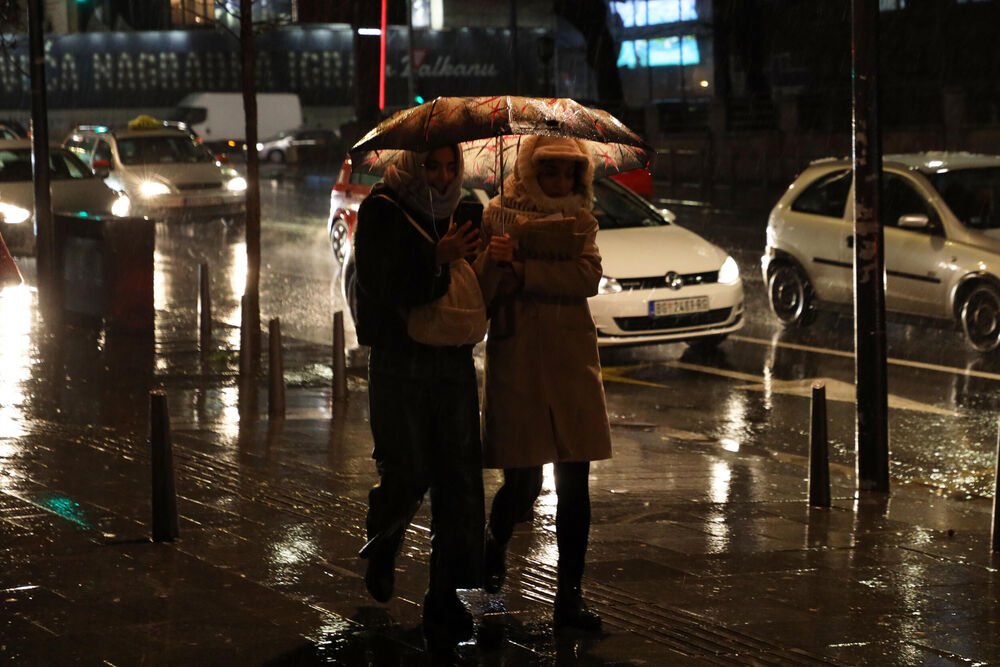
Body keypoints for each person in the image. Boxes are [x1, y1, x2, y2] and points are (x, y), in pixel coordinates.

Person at [475, 135, 612, 632]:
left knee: (576, 484)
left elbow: (587, 277)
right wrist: (497, 261)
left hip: (572, 361)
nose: (558, 182)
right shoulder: (496, 214)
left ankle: (568, 598)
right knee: (524, 481)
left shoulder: (582, 220)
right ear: (532, 172)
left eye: (567, 173)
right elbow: (482, 292)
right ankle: (494, 544)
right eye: (549, 172)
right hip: (519, 357)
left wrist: (526, 269)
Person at [352, 145, 485, 648]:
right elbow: (379, 286)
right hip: (400, 361)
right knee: (407, 471)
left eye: (451, 166)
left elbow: (476, 286)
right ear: (412, 164)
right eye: (432, 165)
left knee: (459, 488)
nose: (443, 176)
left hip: (452, 362)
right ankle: (384, 540)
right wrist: (435, 258)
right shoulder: (383, 209)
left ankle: (450, 608)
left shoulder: (465, 210)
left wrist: (493, 264)